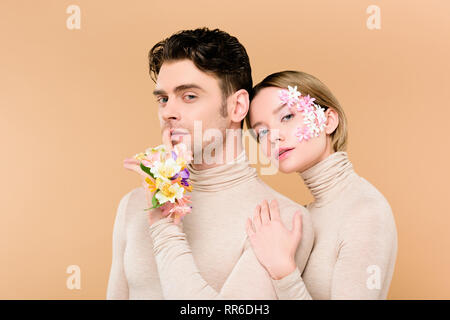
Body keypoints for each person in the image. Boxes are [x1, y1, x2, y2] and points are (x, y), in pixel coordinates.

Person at [106, 28, 315, 299]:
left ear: (238, 106)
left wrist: (165, 227)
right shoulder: (134, 204)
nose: (168, 112)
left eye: (189, 96)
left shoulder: (281, 220)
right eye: (163, 99)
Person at [245, 70, 398, 299]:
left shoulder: (365, 211)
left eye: (287, 117)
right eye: (262, 132)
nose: (273, 136)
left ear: (328, 121)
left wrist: (284, 273)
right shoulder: (302, 214)